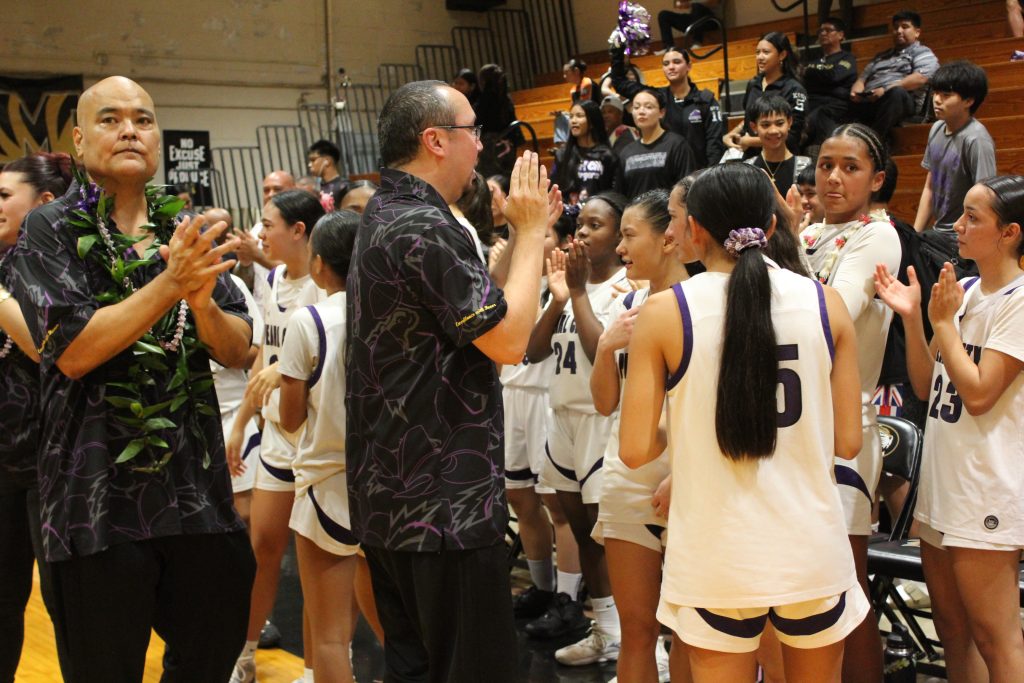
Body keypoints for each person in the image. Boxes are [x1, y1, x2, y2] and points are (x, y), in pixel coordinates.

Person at [12, 75, 255, 682]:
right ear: (78, 139)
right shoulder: (49, 229)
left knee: (211, 655)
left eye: (143, 120)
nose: (130, 131)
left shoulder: (185, 227)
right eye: (111, 119)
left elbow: (238, 349)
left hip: (196, 495)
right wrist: (172, 282)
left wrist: (202, 303)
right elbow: (73, 351)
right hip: (95, 501)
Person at [619, 162, 866, 682]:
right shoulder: (827, 302)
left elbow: (634, 450)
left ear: (693, 230)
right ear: (773, 226)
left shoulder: (664, 312)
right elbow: (848, 442)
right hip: (812, 549)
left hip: (717, 552)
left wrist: (689, 426)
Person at [345, 80, 557, 683]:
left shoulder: (387, 210)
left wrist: (520, 237)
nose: (481, 146)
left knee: (414, 669)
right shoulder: (424, 225)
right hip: (444, 506)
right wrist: (531, 232)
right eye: (472, 131)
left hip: (395, 498)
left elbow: (479, 316)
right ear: (436, 140)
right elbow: (508, 342)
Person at [875, 175, 1024, 683]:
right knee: (952, 631)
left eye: (972, 217)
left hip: (986, 488)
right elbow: (924, 383)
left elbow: (980, 394)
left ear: (1009, 233)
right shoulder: (965, 290)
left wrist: (943, 325)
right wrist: (914, 317)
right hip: (941, 485)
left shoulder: (1018, 300)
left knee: (995, 636)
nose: (956, 225)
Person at [800, 123, 901, 683]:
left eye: (850, 167)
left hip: (845, 427)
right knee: (802, 586)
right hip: (797, 425)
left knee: (846, 587)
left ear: (877, 179)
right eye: (825, 165)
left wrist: (780, 248)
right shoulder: (808, 232)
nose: (834, 178)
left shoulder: (878, 236)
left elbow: (829, 313)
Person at [590, 189, 693, 683]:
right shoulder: (627, 303)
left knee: (691, 630)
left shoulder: (702, 301)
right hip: (627, 474)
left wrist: (687, 473)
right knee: (637, 630)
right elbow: (604, 402)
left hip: (689, 475)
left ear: (667, 239)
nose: (621, 248)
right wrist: (605, 348)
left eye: (630, 235)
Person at [278, 210, 383, 683]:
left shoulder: (309, 320)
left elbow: (290, 418)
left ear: (318, 264)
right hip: (387, 487)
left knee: (330, 638)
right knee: (396, 629)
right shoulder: (390, 312)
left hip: (327, 486)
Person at [227, 190, 325, 683]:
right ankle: (243, 655)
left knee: (314, 566)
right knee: (262, 551)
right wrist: (240, 422)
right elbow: (262, 361)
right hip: (274, 437)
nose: (260, 233)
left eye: (268, 224)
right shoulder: (269, 280)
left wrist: (287, 373)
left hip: (315, 440)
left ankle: (316, 668)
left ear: (299, 230)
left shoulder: (327, 288)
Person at [526, 193, 628, 667]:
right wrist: (561, 298)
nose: (582, 233)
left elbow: (600, 351)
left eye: (595, 225)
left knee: (612, 539)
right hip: (563, 418)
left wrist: (580, 294)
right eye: (580, 224)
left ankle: (640, 641)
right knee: (583, 533)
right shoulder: (570, 286)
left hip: (601, 422)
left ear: (620, 235)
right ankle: (606, 631)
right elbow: (533, 351)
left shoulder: (627, 289)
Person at [0, 152, 71, 681]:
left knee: (67, 607)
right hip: (3, 461)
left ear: (45, 203)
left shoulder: (60, 268)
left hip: (55, 463)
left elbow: (50, 350)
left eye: (4, 196)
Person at [914, 61, 997, 248]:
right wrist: (915, 234)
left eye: (946, 95)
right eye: (935, 93)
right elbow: (930, 187)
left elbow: (985, 198)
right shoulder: (936, 129)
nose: (937, 100)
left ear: (969, 101)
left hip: (962, 236)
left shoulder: (976, 139)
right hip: (939, 232)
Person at [611, 45, 725, 168]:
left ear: (688, 66)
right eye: (666, 64)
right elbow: (620, 84)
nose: (671, 67)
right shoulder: (657, 97)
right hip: (667, 173)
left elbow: (715, 143)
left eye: (677, 62)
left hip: (699, 173)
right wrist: (618, 50)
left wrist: (708, 174)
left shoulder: (705, 100)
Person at [849, 11, 939, 144]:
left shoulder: (922, 52)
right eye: (896, 27)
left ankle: (873, 142)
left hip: (902, 101)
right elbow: (862, 79)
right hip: (871, 99)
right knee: (837, 98)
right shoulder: (881, 56)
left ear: (917, 32)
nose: (899, 31)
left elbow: (921, 78)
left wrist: (885, 90)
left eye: (905, 27)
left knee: (896, 93)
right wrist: (856, 93)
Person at [724, 32, 807, 158]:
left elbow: (791, 138)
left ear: (782, 55)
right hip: (751, 159)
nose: (760, 57)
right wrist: (732, 133)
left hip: (780, 159)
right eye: (757, 52)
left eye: (766, 52)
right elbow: (749, 119)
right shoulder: (753, 84)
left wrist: (750, 141)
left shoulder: (794, 89)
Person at [615, 89, 698, 200]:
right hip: (634, 210)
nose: (641, 111)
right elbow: (620, 194)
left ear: (661, 112)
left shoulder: (677, 145)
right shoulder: (626, 152)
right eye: (636, 107)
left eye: (648, 107)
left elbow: (687, 188)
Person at [233, 170, 293, 301]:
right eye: (266, 190)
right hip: (261, 309)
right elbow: (245, 283)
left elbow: (297, 273)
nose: (270, 194)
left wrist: (257, 256)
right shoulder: (256, 229)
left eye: (277, 189)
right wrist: (245, 263)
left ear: (294, 190)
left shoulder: (300, 228)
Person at [803, 17, 858, 150]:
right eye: (820, 31)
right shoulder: (813, 62)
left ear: (840, 35)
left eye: (828, 30)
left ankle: (830, 148)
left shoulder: (847, 57)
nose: (823, 33)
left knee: (820, 114)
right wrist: (823, 77)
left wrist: (810, 73)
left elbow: (834, 76)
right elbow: (804, 81)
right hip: (812, 102)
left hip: (835, 103)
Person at [744, 96, 813, 196]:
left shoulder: (805, 166)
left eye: (779, 123)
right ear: (754, 127)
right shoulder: (747, 169)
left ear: (789, 122)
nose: (773, 131)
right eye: (765, 125)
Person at [554, 100, 618, 205]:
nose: (573, 121)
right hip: (568, 213)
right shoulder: (562, 155)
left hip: (598, 211)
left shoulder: (607, 155)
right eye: (571, 116)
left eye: (579, 116)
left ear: (592, 121)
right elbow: (555, 189)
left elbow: (615, 193)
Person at [475, 63, 523, 178]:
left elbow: (478, 123)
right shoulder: (506, 98)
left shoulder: (484, 100)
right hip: (508, 145)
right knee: (506, 178)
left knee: (491, 179)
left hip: (490, 146)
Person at [307, 139, 349, 209]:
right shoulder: (316, 187)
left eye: (313, 160)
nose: (309, 165)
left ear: (327, 161)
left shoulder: (345, 187)